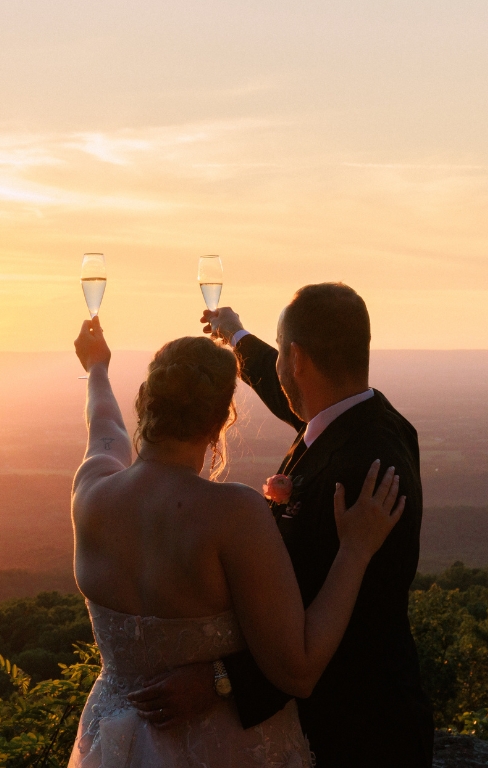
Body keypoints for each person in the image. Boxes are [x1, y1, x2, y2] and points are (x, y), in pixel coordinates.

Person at [68, 316, 406, 768]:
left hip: (114, 749)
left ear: (146, 401)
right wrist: (356, 550)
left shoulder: (90, 489)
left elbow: (103, 421)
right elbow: (299, 670)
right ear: (221, 420)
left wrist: (97, 368)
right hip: (225, 749)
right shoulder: (232, 512)